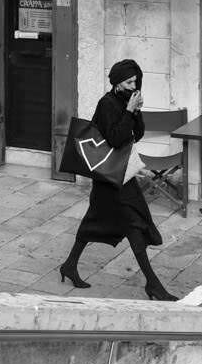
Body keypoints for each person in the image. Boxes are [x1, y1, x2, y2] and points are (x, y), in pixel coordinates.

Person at [59, 59, 176, 301]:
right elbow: (115, 139)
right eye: (129, 82)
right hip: (109, 178)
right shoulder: (107, 104)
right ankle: (153, 284)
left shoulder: (127, 100)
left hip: (121, 175)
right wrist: (129, 112)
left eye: (136, 81)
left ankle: (70, 265)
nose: (134, 85)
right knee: (127, 223)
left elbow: (138, 134)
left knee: (108, 221)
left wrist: (136, 111)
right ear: (117, 82)